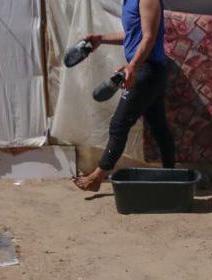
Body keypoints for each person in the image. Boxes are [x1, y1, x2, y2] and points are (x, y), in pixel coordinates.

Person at [73, 0, 175, 192]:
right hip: (148, 70)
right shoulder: (129, 1)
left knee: (119, 124)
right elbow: (132, 35)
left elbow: (149, 37)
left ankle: (98, 176)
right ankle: (172, 177)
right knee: (159, 126)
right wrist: (101, 38)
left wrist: (132, 67)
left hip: (148, 71)